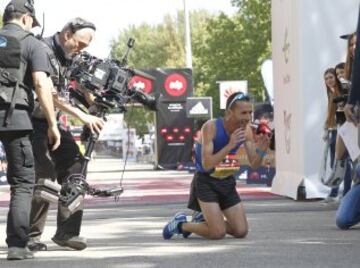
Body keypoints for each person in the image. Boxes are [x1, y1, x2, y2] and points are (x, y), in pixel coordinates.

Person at [27, 18, 105, 251]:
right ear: (67, 33)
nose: (80, 50)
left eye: (85, 48)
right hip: (32, 121)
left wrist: (94, 102)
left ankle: (67, 232)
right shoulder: (41, 49)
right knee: (46, 175)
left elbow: (79, 86)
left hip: (55, 122)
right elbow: (49, 94)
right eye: (79, 44)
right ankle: (30, 236)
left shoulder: (73, 57)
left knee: (76, 167)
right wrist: (83, 116)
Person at [162, 92, 271, 240]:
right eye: (243, 113)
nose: (248, 117)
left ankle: (203, 221)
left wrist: (262, 149)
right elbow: (207, 164)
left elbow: (254, 164)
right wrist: (230, 144)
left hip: (226, 182)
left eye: (250, 112)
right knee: (217, 233)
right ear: (229, 112)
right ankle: (181, 224)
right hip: (206, 182)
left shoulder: (246, 131)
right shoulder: (210, 127)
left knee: (241, 231)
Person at [0, 0, 61, 260]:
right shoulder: (32, 43)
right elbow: (40, 83)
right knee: (23, 183)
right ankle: (16, 245)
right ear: (26, 19)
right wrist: (52, 124)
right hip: (14, 120)